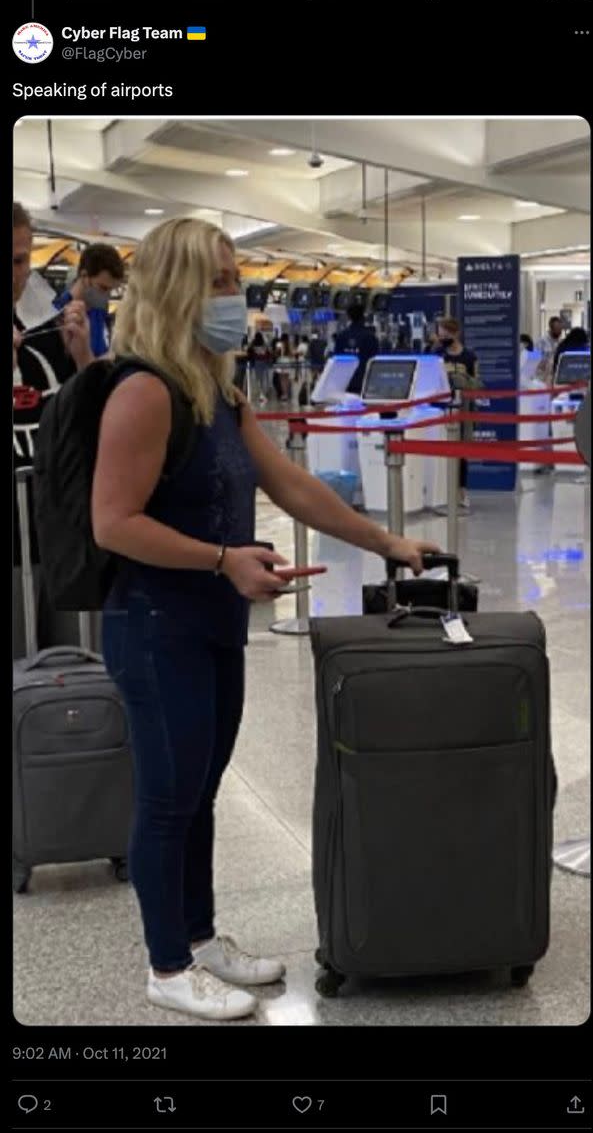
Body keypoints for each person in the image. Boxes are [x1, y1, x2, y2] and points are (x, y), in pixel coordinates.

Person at [91, 217, 440, 1022]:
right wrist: (223, 560)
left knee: (203, 788)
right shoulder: (144, 389)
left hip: (211, 619)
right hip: (155, 624)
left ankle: (203, 936)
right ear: (177, 289)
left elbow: (288, 484)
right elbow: (114, 522)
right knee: (168, 797)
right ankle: (167, 965)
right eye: (216, 280)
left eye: (232, 277)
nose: (231, 295)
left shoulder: (216, 390)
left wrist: (384, 541)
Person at [13, 202, 93, 653]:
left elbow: (88, 426)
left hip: (58, 539)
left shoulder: (47, 333)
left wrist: (82, 360)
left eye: (21, 259)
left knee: (65, 676)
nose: (15, 273)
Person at [435, 317, 482, 510]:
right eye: (440, 333)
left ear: (456, 333)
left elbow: (477, 384)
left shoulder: (469, 357)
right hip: (441, 408)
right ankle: (442, 491)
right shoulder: (436, 354)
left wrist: (462, 380)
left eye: (446, 333)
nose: (443, 336)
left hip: (463, 408)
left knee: (461, 451)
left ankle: (461, 490)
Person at [54, 243, 124, 358]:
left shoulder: (99, 312)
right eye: (103, 288)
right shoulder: (58, 315)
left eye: (111, 290)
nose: (106, 296)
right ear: (84, 276)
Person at [333, 302, 379, 394]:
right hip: (364, 381)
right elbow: (375, 360)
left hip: (345, 381)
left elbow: (336, 359)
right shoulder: (370, 337)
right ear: (363, 317)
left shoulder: (341, 336)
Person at [535, 316, 564, 386]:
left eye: (561, 329)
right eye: (557, 329)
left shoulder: (560, 342)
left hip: (555, 379)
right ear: (551, 329)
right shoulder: (541, 341)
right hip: (541, 379)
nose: (560, 332)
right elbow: (534, 361)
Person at [247, 329, 270, 404]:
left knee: (258, 378)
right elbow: (268, 352)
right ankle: (263, 392)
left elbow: (249, 351)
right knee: (264, 378)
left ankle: (260, 392)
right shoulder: (264, 344)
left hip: (257, 362)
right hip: (264, 362)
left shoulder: (253, 344)